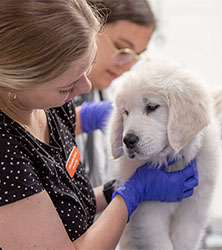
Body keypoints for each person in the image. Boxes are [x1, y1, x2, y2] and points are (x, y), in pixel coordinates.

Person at [0, 1, 198, 248]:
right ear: (22, 76)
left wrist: (111, 191)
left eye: (88, 66)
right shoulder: (6, 153)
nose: (85, 87)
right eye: (66, 86)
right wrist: (130, 194)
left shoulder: (49, 107)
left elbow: (58, 207)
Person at [75, 0, 157, 187]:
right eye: (122, 49)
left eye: (136, 56)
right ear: (88, 26)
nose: (127, 66)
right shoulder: (43, 95)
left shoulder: (108, 95)